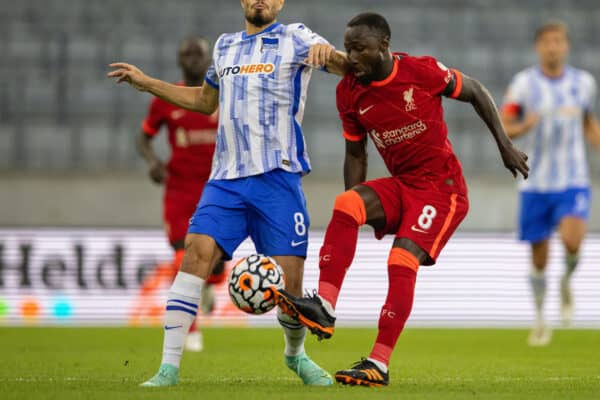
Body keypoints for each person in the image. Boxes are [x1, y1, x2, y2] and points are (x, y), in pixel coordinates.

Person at [275, 12, 529, 387]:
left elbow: (474, 89)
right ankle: (325, 306)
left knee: (401, 259)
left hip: (442, 189)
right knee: (346, 205)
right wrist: (353, 219)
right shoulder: (348, 91)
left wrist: (505, 145)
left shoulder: (420, 72)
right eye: (348, 49)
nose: (352, 57)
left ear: (384, 46)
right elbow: (356, 155)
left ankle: (378, 362)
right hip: (403, 184)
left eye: (360, 49)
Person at [108, 0, 348, 387]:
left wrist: (331, 55)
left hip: (279, 180)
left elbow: (346, 68)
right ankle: (168, 368)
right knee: (196, 253)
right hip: (226, 181)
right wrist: (147, 82)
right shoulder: (224, 46)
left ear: (280, 2)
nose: (261, 0)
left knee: (290, 286)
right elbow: (205, 102)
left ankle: (295, 356)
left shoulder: (298, 38)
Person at [501, 21, 600, 346]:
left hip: (573, 179)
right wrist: (525, 124)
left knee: (572, 242)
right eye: (547, 42)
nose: (553, 47)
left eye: (558, 41)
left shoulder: (584, 83)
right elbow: (504, 125)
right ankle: (542, 318)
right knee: (539, 258)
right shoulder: (524, 85)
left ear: (566, 46)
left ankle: (567, 283)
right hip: (535, 182)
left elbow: (588, 123)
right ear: (538, 47)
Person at [131, 37, 227, 352]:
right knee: (181, 256)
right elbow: (143, 139)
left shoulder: (224, 94)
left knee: (214, 266)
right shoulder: (165, 99)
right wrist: (153, 162)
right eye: (186, 54)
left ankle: (208, 288)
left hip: (217, 187)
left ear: (208, 58)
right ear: (179, 60)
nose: (193, 60)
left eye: (198, 54)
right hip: (180, 190)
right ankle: (191, 328)